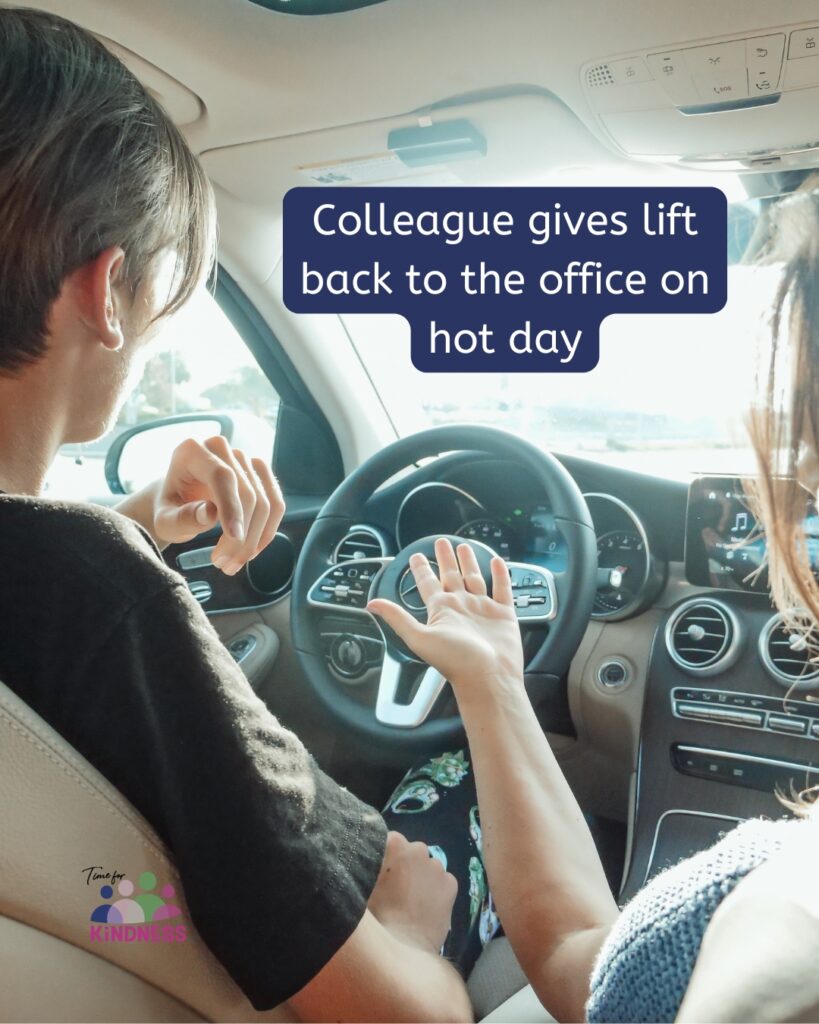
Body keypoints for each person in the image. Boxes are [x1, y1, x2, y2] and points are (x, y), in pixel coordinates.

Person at [0, 9, 473, 1022]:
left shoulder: (76, 575)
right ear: (108, 288)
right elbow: (406, 1015)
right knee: (454, 785)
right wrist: (419, 929)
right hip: (319, 964)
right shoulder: (99, 593)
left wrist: (133, 518)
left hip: (108, 932)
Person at [369, 175, 819, 1024]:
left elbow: (584, 961)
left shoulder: (772, 923)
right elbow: (595, 960)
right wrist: (497, 681)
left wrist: (494, 685)